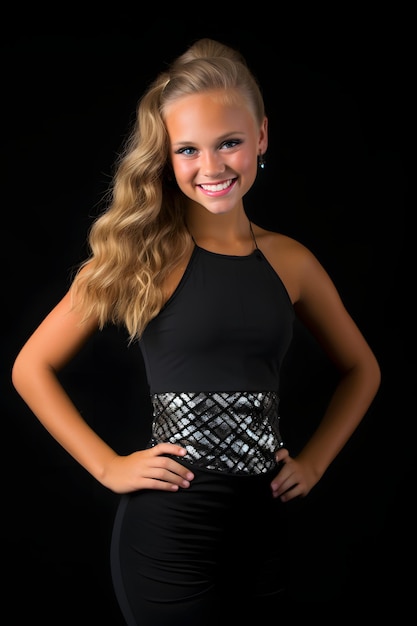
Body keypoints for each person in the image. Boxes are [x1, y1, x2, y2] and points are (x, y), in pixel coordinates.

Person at [11, 38, 381, 624]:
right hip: (167, 534)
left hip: (263, 530)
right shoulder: (142, 256)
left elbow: (363, 369)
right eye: (188, 149)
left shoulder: (292, 261)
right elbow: (30, 367)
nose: (211, 168)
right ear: (167, 157)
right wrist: (109, 466)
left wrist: (312, 464)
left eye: (229, 143)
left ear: (261, 137)